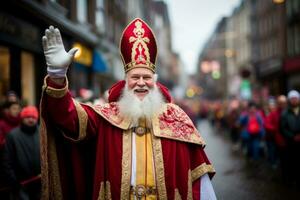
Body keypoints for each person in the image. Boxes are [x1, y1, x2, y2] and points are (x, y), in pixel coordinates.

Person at [40, 19, 216, 200]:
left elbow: (198, 179)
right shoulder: (105, 116)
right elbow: (67, 117)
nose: (141, 83)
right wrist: (57, 77)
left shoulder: (176, 118)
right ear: (125, 81)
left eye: (146, 77)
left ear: (155, 81)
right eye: (135, 77)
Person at [2, 106, 41, 199]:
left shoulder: (42, 132)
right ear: (22, 118)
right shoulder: (12, 135)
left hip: (40, 183)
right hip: (20, 185)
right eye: (28, 117)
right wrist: (14, 181)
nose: (31, 120)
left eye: (33, 117)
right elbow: (7, 160)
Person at [280, 90, 300, 185]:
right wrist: (292, 136)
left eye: (296, 98)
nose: (294, 100)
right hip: (290, 141)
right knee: (291, 161)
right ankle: (292, 179)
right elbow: (283, 128)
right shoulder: (285, 113)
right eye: (292, 99)